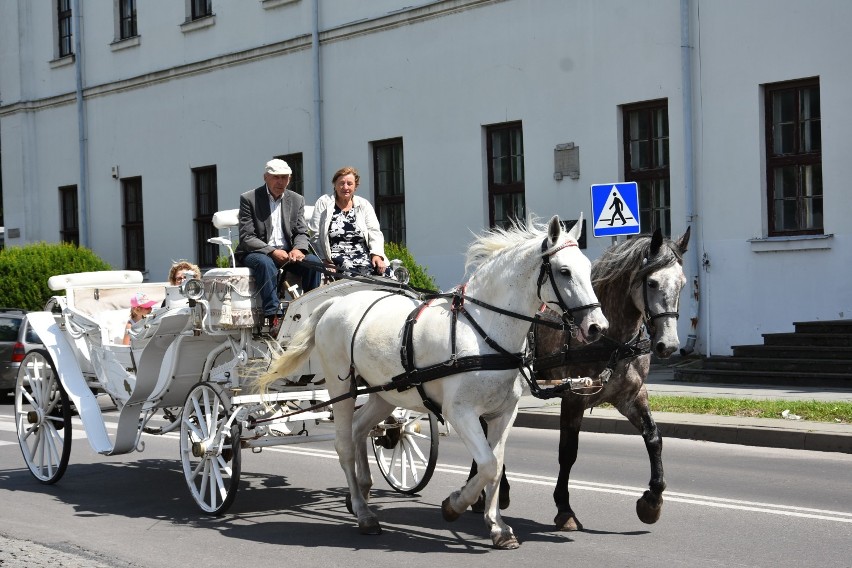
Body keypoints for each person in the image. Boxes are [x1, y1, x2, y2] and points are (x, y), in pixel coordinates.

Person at [235, 159, 322, 323]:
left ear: (289, 179)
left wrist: (298, 249)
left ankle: (312, 311)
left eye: (284, 177)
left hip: (288, 253)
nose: (280, 182)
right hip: (257, 252)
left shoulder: (297, 200)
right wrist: (272, 251)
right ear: (265, 177)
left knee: (313, 262)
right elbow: (247, 237)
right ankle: (273, 315)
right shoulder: (249, 199)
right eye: (276, 177)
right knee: (265, 263)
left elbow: (302, 232)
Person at [310, 166, 387, 276]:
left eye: (349, 184)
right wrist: (324, 260)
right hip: (337, 258)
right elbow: (315, 234)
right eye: (341, 183)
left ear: (355, 186)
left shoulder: (363, 205)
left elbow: (374, 231)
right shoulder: (324, 203)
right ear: (335, 185)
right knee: (355, 276)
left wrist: (376, 255)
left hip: (364, 256)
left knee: (389, 277)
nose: (345, 187)